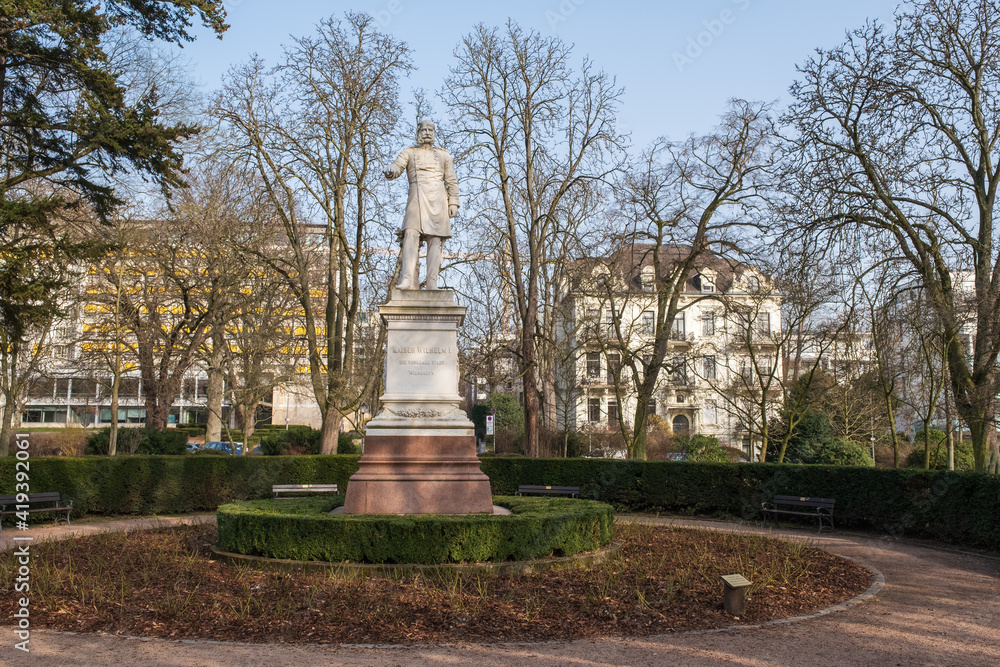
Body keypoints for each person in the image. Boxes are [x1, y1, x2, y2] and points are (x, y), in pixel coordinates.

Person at [384, 120, 460, 290]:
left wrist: (453, 202)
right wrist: (391, 169)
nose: (427, 132)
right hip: (416, 198)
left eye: (430, 130)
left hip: (438, 199)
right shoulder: (409, 152)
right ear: (418, 132)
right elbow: (397, 166)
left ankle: (432, 282)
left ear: (434, 133)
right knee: (410, 234)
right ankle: (407, 279)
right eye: (424, 129)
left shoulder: (444, 155)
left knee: (435, 240)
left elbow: (451, 180)